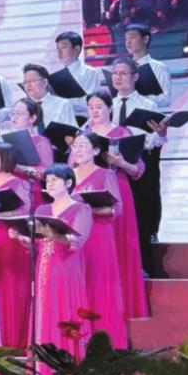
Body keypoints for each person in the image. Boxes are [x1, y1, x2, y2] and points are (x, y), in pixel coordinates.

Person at [13, 164, 93, 375]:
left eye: (55, 180)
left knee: (65, 313)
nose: (49, 184)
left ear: (68, 183)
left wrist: (54, 234)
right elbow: (38, 244)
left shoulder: (80, 209)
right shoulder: (42, 209)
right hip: (43, 269)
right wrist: (20, 238)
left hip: (66, 270)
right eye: (47, 180)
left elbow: (76, 242)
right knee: (43, 313)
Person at [82, 91, 147, 319]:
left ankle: (121, 305)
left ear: (110, 108)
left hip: (116, 190)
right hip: (88, 193)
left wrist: (121, 163)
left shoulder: (121, 133)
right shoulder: (84, 133)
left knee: (120, 243)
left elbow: (138, 170)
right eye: (90, 107)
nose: (94, 111)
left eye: (99, 106)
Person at [108, 56, 169, 273]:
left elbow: (153, 142)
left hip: (137, 163)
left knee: (139, 215)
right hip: (110, 168)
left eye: (123, 73)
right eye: (115, 73)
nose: (118, 77)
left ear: (135, 77)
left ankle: (141, 266)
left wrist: (161, 134)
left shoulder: (147, 105)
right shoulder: (107, 105)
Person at [68, 133, 127, 347]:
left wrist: (86, 209)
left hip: (98, 234)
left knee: (98, 282)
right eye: (75, 145)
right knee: (76, 283)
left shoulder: (105, 174)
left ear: (95, 150)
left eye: (83, 145)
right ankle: (76, 341)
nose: (78, 149)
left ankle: (103, 340)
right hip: (74, 235)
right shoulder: (67, 175)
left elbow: (116, 208)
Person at [0, 143, 32, 350]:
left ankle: (12, 342)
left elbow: (24, 212)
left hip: (9, 239)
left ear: (8, 158)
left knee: (9, 289)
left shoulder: (19, 184)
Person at [55, 31, 104, 118]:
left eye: (63, 47)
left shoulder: (90, 72)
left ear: (76, 49)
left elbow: (90, 102)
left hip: (83, 120)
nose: (59, 52)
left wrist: (63, 101)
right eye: (58, 48)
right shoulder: (57, 75)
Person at [124, 23, 171, 110]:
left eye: (132, 37)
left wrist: (139, 96)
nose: (128, 42)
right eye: (126, 39)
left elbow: (165, 100)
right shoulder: (123, 67)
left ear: (145, 39)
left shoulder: (158, 67)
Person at [21, 64, 76, 129]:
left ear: (45, 82)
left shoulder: (62, 104)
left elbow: (74, 130)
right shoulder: (22, 107)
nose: (28, 85)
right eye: (25, 82)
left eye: (32, 81)